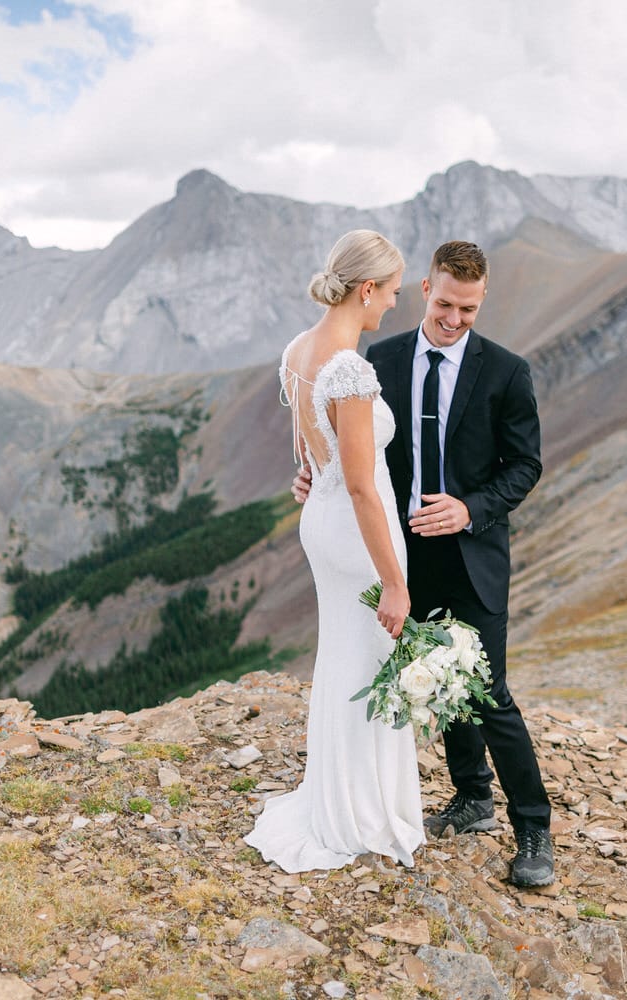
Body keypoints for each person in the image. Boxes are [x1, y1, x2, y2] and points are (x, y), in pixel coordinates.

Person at [297, 241, 554, 888]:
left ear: (482, 299)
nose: (454, 318)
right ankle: (471, 799)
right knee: (434, 684)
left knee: (488, 690)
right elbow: (351, 453)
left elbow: (524, 466)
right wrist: (314, 477)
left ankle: (533, 828)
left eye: (468, 308)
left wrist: (470, 510)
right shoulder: (375, 358)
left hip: (472, 557)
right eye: (444, 304)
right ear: (423, 292)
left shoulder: (507, 372)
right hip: (400, 557)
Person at [243, 230, 425, 872]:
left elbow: (311, 451)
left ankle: (338, 796)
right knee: (368, 656)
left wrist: (307, 475)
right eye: (393, 293)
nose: (394, 307)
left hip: (320, 522)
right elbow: (359, 484)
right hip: (354, 529)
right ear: (367, 288)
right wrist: (395, 582)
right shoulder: (350, 368)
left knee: (343, 653)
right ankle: (359, 810)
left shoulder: (300, 348)